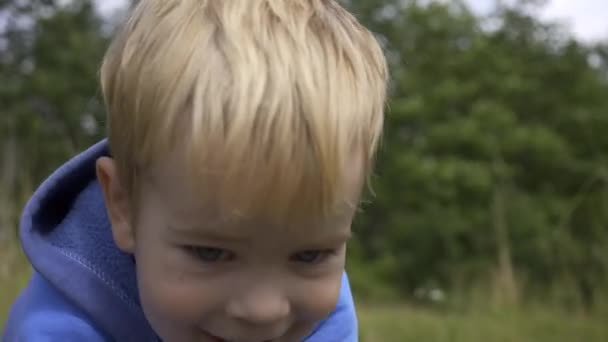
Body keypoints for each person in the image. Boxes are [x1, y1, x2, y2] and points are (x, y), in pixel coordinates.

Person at [3, 0, 387, 340]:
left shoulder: (322, 313)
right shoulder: (57, 330)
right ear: (122, 206)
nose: (263, 311)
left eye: (309, 256)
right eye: (210, 252)